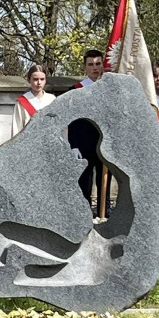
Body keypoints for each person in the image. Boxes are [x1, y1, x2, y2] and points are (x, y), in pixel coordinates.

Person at [68, 49, 106, 211]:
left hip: (105, 142)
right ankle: (85, 213)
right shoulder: (76, 90)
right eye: (90, 64)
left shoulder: (110, 89)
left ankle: (105, 211)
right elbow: (72, 121)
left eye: (98, 64)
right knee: (85, 181)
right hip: (84, 144)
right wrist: (74, 145)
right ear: (85, 67)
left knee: (105, 181)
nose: (95, 68)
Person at [10, 64, 56, 137]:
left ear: (45, 80)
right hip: (28, 142)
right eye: (35, 79)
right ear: (29, 80)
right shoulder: (22, 102)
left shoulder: (52, 99)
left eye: (42, 79)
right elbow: (16, 129)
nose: (39, 83)